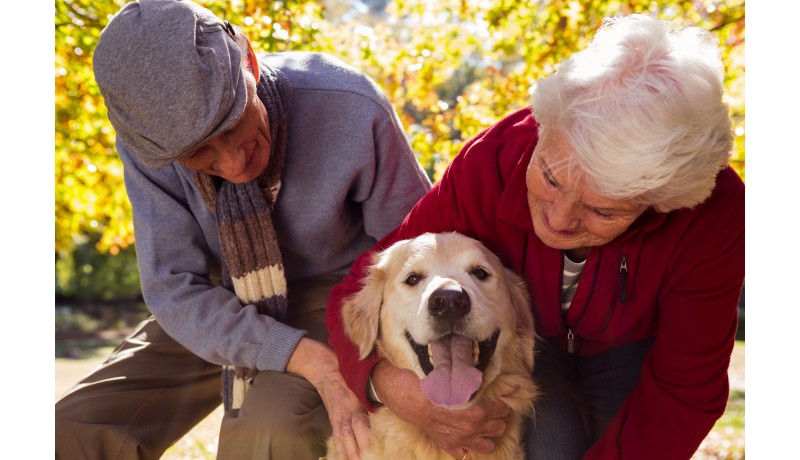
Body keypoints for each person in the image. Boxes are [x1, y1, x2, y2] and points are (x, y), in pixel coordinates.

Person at [326, 14, 744, 460]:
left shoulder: (715, 216)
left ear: (664, 200)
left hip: (634, 355)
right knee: (554, 445)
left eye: (603, 210)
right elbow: (357, 293)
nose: (559, 221)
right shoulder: (491, 162)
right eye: (550, 177)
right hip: (526, 350)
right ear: (546, 128)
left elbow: (684, 392)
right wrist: (388, 384)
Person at [54, 0, 432, 459]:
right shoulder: (151, 148)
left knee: (268, 433)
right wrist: (304, 358)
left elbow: (420, 258)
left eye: (234, 123)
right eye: (199, 154)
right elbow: (174, 288)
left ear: (249, 61)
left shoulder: (350, 104)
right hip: (217, 301)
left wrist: (361, 370)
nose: (234, 165)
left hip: (340, 295)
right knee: (66, 432)